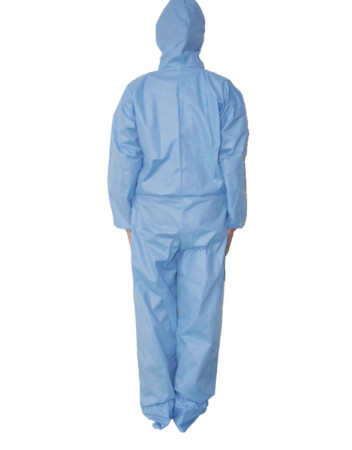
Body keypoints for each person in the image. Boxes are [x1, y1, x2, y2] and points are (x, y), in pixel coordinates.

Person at [107, 0, 248, 432]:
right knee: (202, 308)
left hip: (152, 216)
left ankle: (156, 401)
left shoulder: (137, 93)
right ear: (199, 36)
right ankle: (190, 401)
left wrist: (124, 218)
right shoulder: (223, 91)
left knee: (152, 308)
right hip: (208, 214)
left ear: (160, 35)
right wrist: (234, 216)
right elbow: (232, 158)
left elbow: (124, 159)